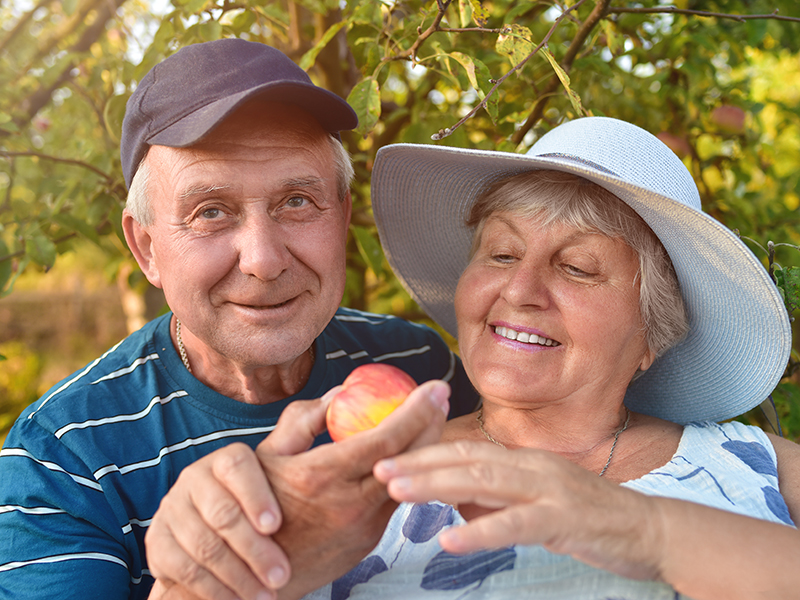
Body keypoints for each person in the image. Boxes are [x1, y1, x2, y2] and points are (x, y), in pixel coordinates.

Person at [0, 38, 478, 600]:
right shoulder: (62, 459)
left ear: (343, 216)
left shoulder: (421, 368)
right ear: (146, 248)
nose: (264, 260)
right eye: (211, 211)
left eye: (297, 201)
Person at [291, 116, 800, 599]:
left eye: (577, 267)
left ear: (652, 334)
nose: (520, 289)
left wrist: (651, 531)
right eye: (503, 254)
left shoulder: (757, 464)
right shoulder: (366, 476)